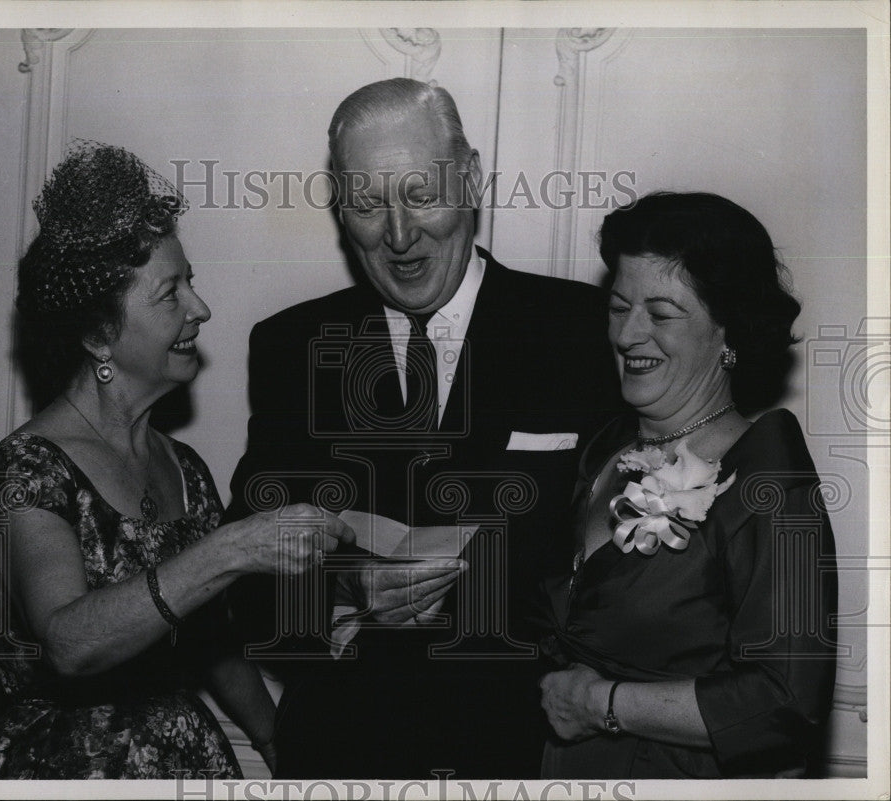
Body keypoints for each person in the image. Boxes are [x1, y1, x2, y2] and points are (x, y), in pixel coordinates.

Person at [224, 79, 623, 778]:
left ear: (469, 178)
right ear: (340, 206)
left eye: (419, 195)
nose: (400, 236)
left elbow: (627, 575)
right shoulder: (292, 346)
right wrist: (348, 589)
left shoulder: (582, 331)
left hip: (524, 757)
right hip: (342, 755)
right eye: (369, 204)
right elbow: (245, 577)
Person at [0, 143, 353, 780]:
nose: (199, 309)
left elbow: (212, 646)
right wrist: (229, 551)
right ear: (98, 336)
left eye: (191, 283)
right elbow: (68, 643)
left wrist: (280, 744)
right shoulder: (28, 470)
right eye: (169, 294)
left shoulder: (186, 469)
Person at [538, 191, 838, 779]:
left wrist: (601, 705)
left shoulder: (769, 474)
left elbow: (787, 700)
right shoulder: (603, 450)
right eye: (619, 306)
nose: (628, 335)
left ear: (729, 333)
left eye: (662, 313)